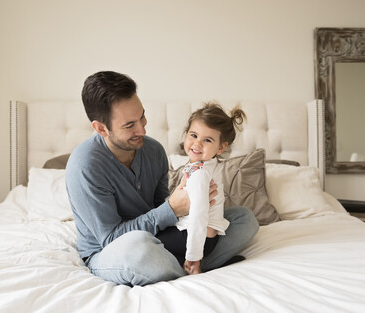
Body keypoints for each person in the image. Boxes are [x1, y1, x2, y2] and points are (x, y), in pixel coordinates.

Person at [66, 71, 259, 286]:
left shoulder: (153, 150)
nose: (142, 129)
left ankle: (183, 266)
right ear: (101, 128)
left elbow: (162, 210)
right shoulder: (85, 166)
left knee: (244, 219)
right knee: (139, 249)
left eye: (142, 116)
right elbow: (111, 239)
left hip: (158, 240)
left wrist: (191, 207)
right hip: (113, 251)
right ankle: (194, 268)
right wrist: (173, 208)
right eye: (130, 125)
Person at [174, 103, 245, 275]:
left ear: (221, 148)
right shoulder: (203, 165)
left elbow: (198, 213)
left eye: (207, 140)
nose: (197, 144)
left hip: (194, 238)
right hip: (207, 238)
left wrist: (193, 256)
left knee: (148, 239)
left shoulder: (200, 172)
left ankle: (190, 265)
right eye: (193, 135)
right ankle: (215, 261)